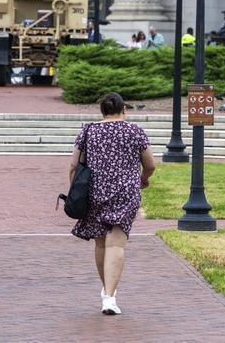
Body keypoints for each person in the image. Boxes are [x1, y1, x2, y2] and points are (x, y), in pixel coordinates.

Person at [68, 92, 155, 315]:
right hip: (126, 193)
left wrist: (75, 191)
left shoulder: (89, 131)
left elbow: (73, 165)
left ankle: (109, 292)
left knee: (100, 244)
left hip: (95, 191)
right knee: (116, 244)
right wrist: (143, 179)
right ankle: (109, 296)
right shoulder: (135, 131)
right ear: (124, 110)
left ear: (102, 112)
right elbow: (150, 164)